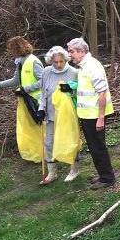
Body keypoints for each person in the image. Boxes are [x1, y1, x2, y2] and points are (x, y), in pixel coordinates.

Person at [64, 38, 116, 189]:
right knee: (94, 147)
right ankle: (103, 175)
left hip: (94, 116)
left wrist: (100, 118)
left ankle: (107, 178)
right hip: (87, 115)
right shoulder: (83, 66)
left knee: (98, 147)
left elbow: (102, 93)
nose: (69, 55)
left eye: (71, 51)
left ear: (81, 51)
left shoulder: (92, 66)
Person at [0, 36, 45, 162]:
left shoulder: (33, 61)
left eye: (11, 49)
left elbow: (43, 81)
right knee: (30, 129)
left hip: (37, 101)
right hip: (26, 101)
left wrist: (26, 88)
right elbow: (16, 80)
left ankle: (46, 153)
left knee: (41, 128)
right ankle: (37, 153)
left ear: (16, 48)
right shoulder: (20, 62)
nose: (10, 52)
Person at [37, 46, 80, 184]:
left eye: (61, 61)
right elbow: (43, 93)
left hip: (67, 116)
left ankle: (74, 169)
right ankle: (52, 172)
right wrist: (41, 109)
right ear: (51, 61)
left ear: (65, 59)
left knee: (70, 142)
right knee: (49, 144)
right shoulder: (46, 72)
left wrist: (70, 89)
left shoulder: (73, 72)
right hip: (50, 115)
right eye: (55, 62)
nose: (59, 64)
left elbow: (77, 93)